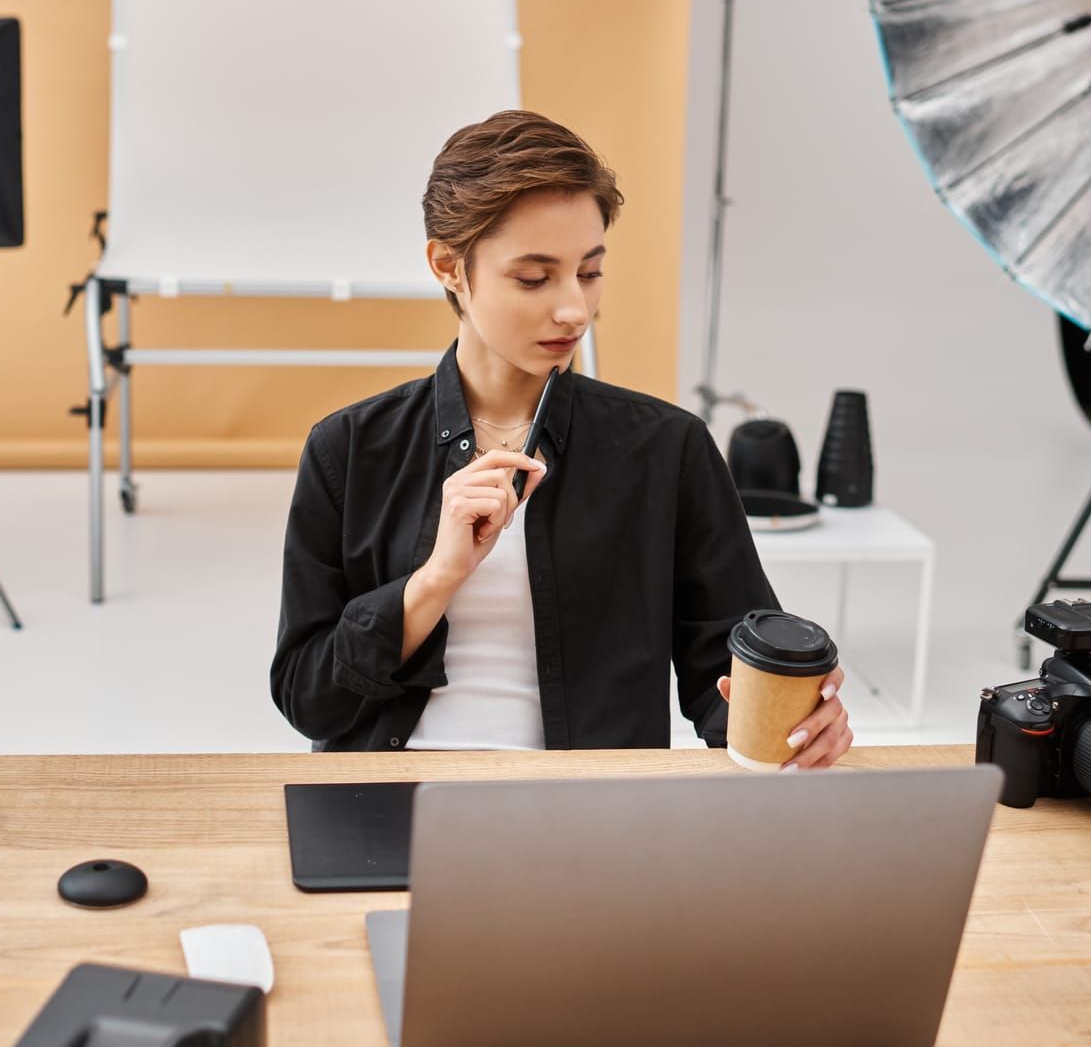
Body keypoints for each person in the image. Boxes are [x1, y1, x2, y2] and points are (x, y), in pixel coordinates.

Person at [270, 110, 851, 763]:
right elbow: (307, 697)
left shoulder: (668, 450)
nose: (575, 308)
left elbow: (726, 675)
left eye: (590, 272)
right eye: (534, 277)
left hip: (588, 811)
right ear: (448, 266)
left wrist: (795, 717)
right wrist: (436, 578)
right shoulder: (348, 449)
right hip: (384, 802)